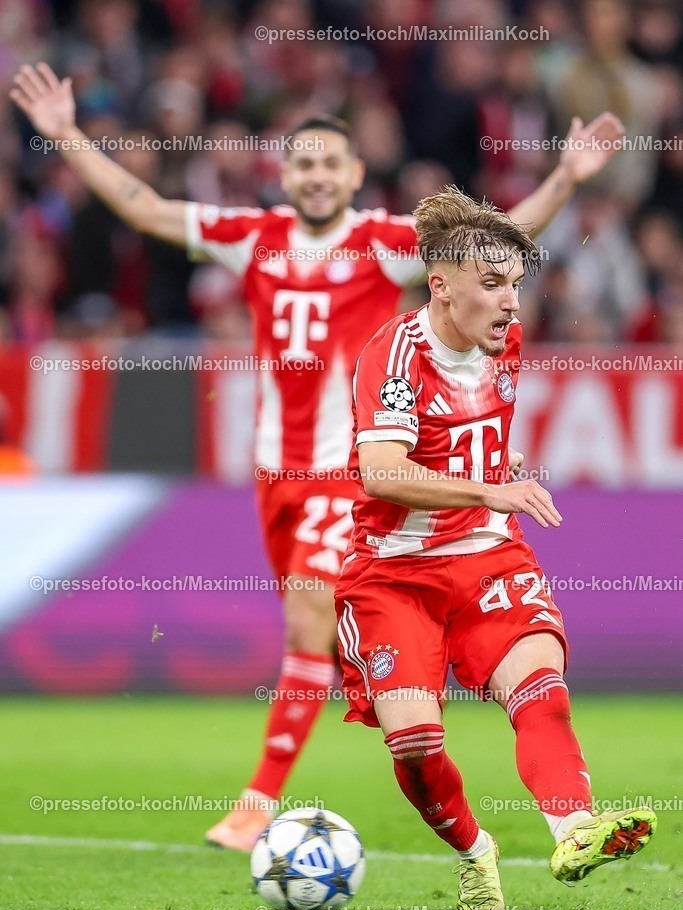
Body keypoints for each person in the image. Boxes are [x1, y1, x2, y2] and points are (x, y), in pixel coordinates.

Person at [10, 62, 626, 851]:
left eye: (331, 163)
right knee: (316, 634)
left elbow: (487, 252)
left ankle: (257, 804)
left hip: (351, 467)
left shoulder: (381, 244)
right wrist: (65, 135)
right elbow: (146, 207)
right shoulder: (254, 237)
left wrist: (565, 179)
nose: (317, 176)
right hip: (275, 475)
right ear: (284, 173)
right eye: (303, 163)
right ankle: (397, 688)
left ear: (355, 174)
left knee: (309, 622)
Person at [334, 185, 657, 910]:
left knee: (540, 688)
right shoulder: (394, 356)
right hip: (395, 572)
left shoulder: (498, 335)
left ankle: (575, 830)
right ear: (440, 286)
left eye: (516, 284)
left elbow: (495, 243)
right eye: (493, 285)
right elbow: (380, 472)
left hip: (487, 555)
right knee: (415, 744)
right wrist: (488, 487)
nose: (511, 302)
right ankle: (475, 853)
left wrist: (570, 176)